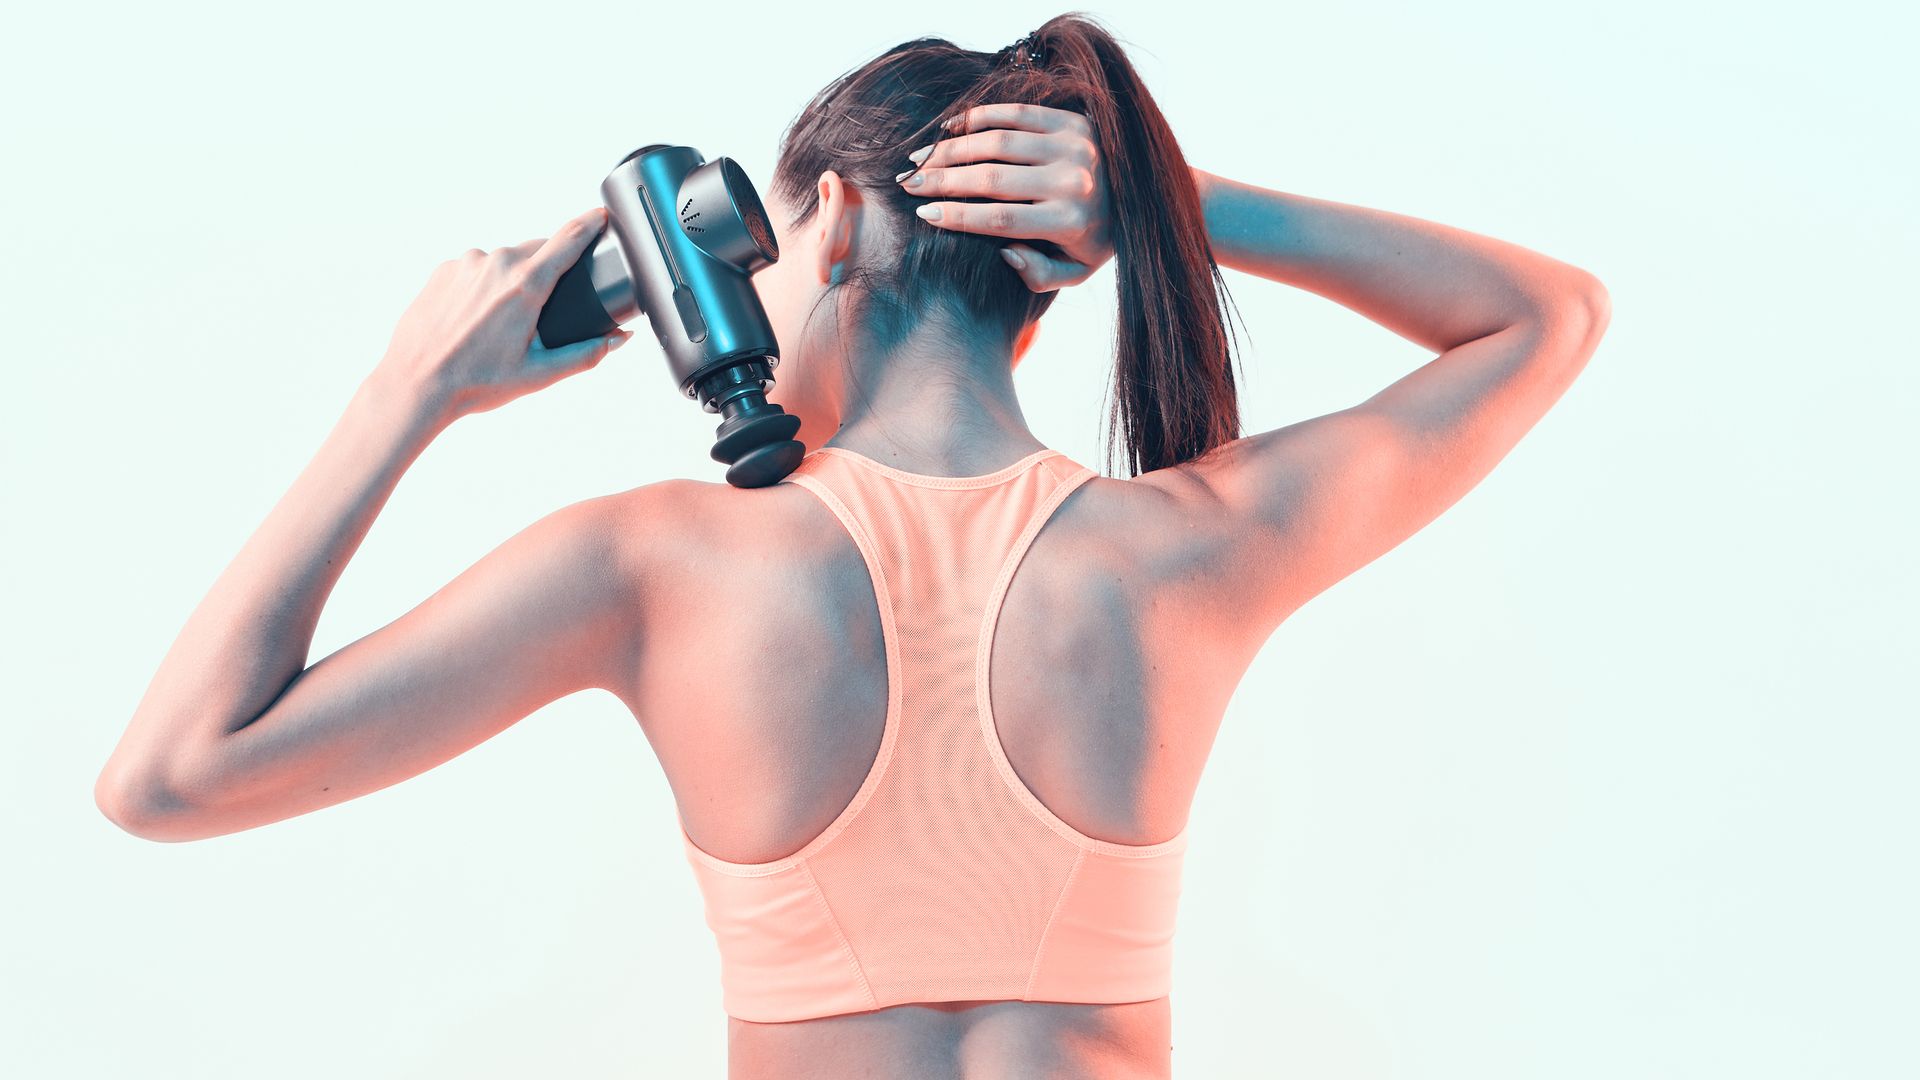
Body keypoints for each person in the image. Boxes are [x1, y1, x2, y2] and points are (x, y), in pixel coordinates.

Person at [93, 13, 1610, 1080]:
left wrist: (408, 389)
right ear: (1045, 275)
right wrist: (1169, 209)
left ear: (822, 218)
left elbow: (169, 778)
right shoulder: (1196, 548)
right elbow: (1551, 316)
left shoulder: (653, 569)